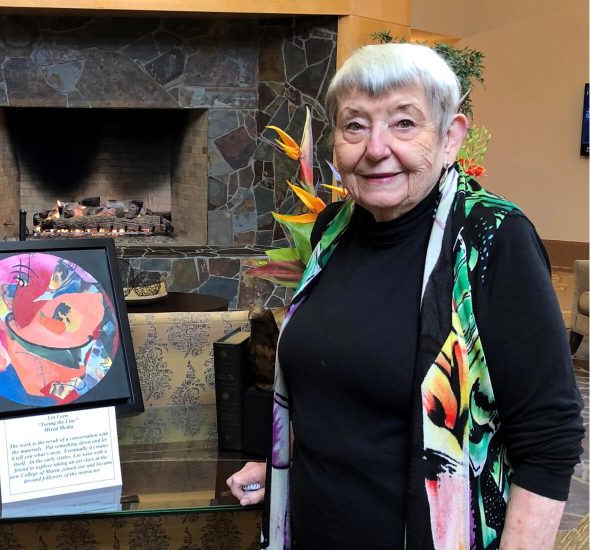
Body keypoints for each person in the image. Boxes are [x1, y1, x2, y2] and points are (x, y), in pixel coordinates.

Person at [226, 43, 584, 549]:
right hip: (312, 529)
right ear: (335, 144)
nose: (375, 148)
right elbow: (335, 376)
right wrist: (273, 462)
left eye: (404, 123)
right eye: (355, 125)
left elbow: (549, 435)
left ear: (450, 137)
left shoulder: (491, 237)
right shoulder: (334, 229)